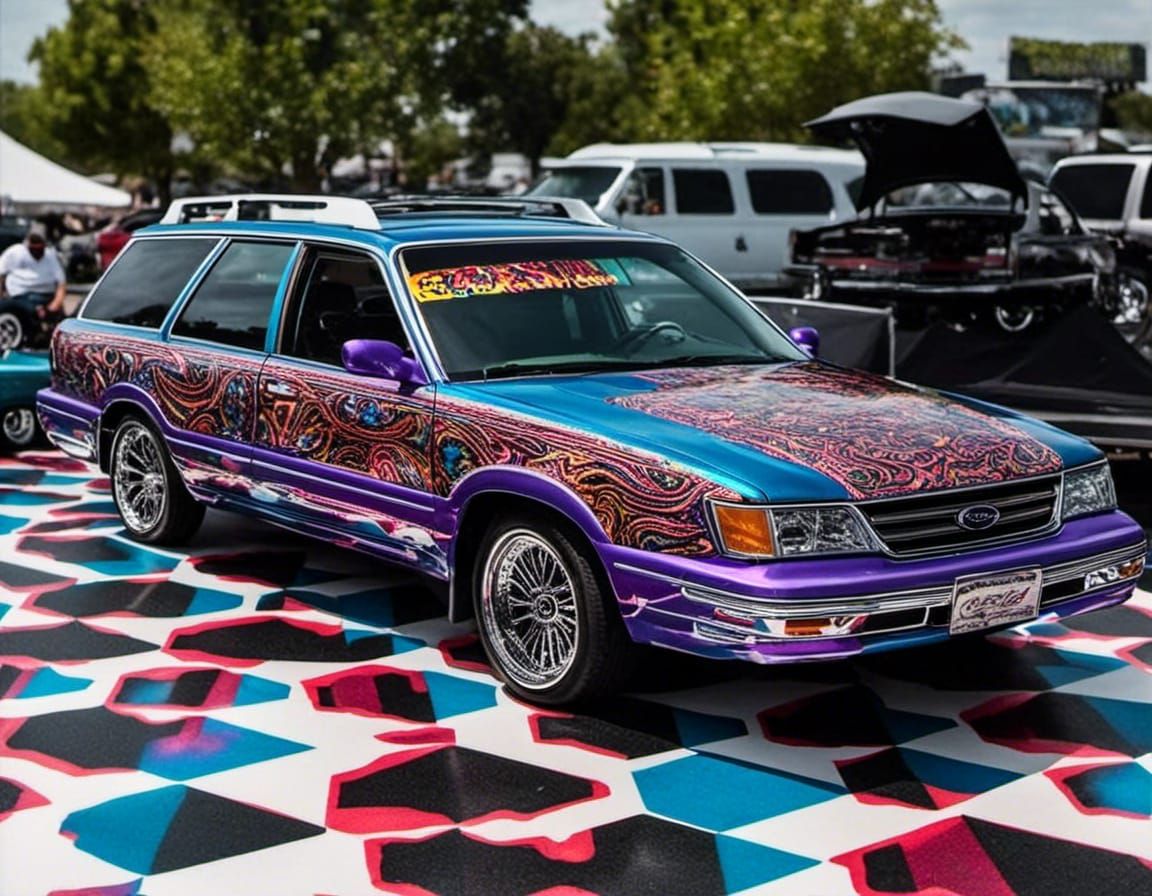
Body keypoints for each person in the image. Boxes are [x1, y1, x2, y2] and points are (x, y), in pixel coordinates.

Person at [0, 230, 68, 323]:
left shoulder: (50, 255)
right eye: (34, 249)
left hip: (45, 296)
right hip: (20, 296)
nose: (37, 252)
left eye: (40, 249)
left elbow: (61, 284)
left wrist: (56, 303)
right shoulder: (14, 252)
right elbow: (1, 274)